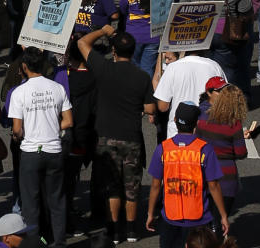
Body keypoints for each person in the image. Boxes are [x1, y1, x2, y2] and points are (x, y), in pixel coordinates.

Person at [77, 25, 156, 244]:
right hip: (131, 136)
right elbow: (150, 109)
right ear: (133, 52)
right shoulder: (141, 76)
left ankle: (112, 229)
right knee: (131, 185)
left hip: (105, 136)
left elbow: (82, 43)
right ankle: (131, 229)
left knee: (112, 184)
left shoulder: (103, 69)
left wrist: (103, 31)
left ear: (114, 52)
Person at [10, 47, 71, 248]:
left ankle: (34, 243)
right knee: (56, 200)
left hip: (30, 152)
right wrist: (52, 127)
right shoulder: (57, 88)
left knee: (30, 202)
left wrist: (20, 134)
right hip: (54, 150)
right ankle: (60, 242)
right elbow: (68, 121)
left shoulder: (19, 92)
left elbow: (17, 129)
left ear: (24, 67)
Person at [145, 102, 229, 247]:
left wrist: (150, 213)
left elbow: (155, 185)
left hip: (170, 217)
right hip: (199, 219)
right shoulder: (204, 149)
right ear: (196, 123)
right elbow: (214, 186)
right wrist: (223, 215)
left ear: (175, 120)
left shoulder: (163, 149)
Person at [195, 79, 247, 221]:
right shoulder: (233, 121)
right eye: (220, 90)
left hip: (203, 172)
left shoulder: (200, 116)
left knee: (204, 219)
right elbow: (241, 152)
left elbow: (195, 144)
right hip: (226, 177)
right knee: (220, 220)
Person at [154, 50, 225, 138]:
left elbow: (162, 107)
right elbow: (225, 98)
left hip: (178, 131)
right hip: (207, 129)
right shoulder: (214, 66)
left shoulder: (173, 67)